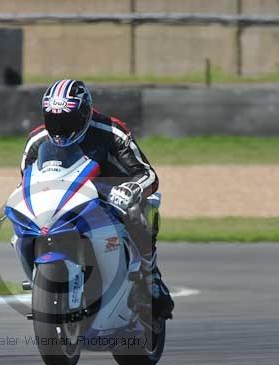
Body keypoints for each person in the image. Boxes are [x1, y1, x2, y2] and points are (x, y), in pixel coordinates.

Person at [20, 79, 174, 320]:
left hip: (110, 196)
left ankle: (150, 275)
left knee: (138, 209)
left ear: (84, 114)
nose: (60, 127)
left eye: (68, 120)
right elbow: (27, 181)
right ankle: (42, 276)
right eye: (54, 119)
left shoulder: (112, 131)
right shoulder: (37, 140)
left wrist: (131, 188)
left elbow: (147, 174)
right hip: (65, 199)